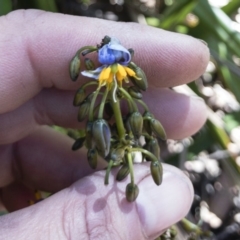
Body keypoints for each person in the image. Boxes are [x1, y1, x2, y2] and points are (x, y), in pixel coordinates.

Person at [0, 9, 209, 239]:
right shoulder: (110, 79)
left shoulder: (116, 80)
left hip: (109, 76)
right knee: (103, 121)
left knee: (130, 121)